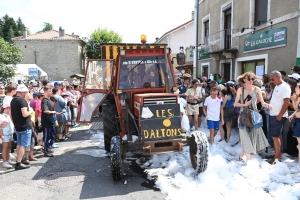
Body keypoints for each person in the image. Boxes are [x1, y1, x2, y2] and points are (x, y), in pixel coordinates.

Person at [234, 72, 271, 162]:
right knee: (246, 139)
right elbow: (235, 103)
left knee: (250, 139)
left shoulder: (257, 89)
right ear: (244, 80)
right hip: (243, 117)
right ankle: (249, 164)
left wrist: (268, 105)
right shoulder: (240, 90)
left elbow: (262, 103)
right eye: (249, 79)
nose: (251, 81)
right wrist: (244, 104)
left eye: (252, 79)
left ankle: (240, 156)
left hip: (253, 118)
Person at [268, 70, 291, 164]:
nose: (272, 81)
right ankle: (277, 154)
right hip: (274, 114)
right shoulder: (277, 86)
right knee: (277, 136)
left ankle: (277, 157)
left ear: (279, 77)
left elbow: (286, 102)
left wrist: (280, 115)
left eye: (273, 79)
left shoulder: (285, 87)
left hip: (278, 115)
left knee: (275, 136)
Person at [10, 84, 34, 170]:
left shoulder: (13, 100)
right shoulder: (22, 101)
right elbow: (24, 114)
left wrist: (15, 123)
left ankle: (18, 161)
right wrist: (30, 110)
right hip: (25, 126)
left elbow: (11, 114)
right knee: (23, 145)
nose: (27, 93)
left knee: (19, 144)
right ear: (22, 92)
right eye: (26, 92)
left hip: (18, 126)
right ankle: (18, 163)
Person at [41, 87, 57, 157]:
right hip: (47, 122)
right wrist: (52, 112)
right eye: (50, 91)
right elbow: (45, 110)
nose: (51, 92)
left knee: (51, 136)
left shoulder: (49, 100)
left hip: (51, 121)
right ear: (46, 91)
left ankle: (48, 148)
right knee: (47, 137)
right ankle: (46, 151)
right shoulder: (44, 100)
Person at [0, 104, 15, 168]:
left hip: (10, 133)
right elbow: (0, 126)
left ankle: (8, 159)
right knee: (5, 148)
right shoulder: (2, 116)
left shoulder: (8, 116)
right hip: (5, 133)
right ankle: (5, 162)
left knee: (9, 147)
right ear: (5, 109)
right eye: (9, 108)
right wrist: (1, 134)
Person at [288, 83, 300, 168]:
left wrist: (293, 99)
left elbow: (296, 108)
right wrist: (292, 115)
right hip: (298, 121)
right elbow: (297, 109)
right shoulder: (298, 98)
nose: (295, 88)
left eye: (297, 87)